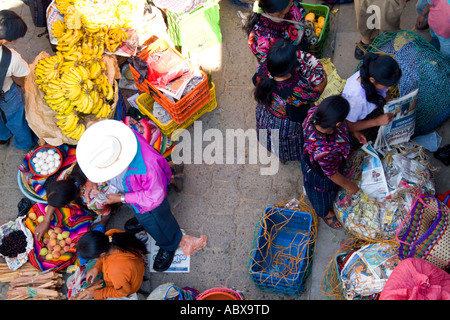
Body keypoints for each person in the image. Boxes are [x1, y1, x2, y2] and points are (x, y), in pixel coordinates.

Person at [76, 119, 183, 272]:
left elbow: (153, 197)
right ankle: (144, 221)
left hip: (150, 200)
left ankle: (170, 243)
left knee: (159, 221)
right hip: (132, 193)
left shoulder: (148, 168)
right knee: (143, 215)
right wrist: (92, 180)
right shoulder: (116, 140)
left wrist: (122, 198)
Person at [254, 39, 326, 162]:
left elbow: (255, 79)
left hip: (266, 113)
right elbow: (314, 95)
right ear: (292, 66)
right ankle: (289, 156)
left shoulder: (263, 67)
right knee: (290, 143)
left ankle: (280, 156)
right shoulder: (297, 87)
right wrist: (324, 79)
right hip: (286, 124)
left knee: (272, 137)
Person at [301, 95, 359, 229]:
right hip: (319, 174)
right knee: (322, 194)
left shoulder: (314, 114)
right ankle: (325, 212)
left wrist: (355, 132)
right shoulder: (325, 150)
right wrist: (349, 186)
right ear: (338, 124)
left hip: (315, 158)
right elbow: (332, 174)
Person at [341, 53, 402, 148]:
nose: (390, 88)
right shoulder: (357, 98)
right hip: (351, 122)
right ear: (372, 80)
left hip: (363, 109)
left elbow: (384, 93)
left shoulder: (373, 72)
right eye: (387, 85)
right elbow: (349, 125)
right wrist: (377, 121)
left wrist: (393, 102)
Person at [0, 10, 38, 150]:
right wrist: (23, 87)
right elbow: (20, 79)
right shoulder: (10, 58)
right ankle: (25, 143)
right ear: (5, 40)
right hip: (6, 96)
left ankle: (2, 137)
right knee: (18, 120)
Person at [75, 229, 147, 300]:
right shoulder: (110, 235)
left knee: (89, 267)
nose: (93, 259)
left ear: (102, 254)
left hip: (127, 287)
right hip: (129, 268)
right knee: (90, 266)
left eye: (93, 258)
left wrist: (96, 294)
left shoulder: (116, 270)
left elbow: (123, 292)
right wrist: (96, 268)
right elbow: (103, 258)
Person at [244, 0, 309, 64]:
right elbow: (273, 63)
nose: (292, 1)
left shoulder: (292, 6)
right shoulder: (265, 39)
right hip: (286, 60)